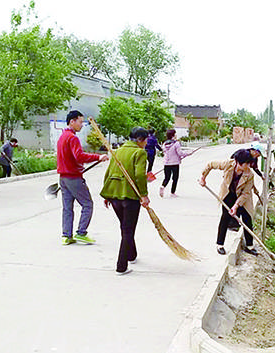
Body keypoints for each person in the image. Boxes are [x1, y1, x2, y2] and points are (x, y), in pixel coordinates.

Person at [100, 127, 150, 275]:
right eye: (146, 139)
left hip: (114, 196)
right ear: (140, 140)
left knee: (126, 227)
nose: (146, 143)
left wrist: (107, 193)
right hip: (129, 197)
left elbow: (108, 172)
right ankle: (121, 266)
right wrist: (144, 194)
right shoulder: (139, 152)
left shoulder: (118, 151)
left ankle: (131, 255)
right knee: (127, 229)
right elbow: (140, 175)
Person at [57, 110, 109, 246]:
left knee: (67, 207)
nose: (82, 125)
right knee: (87, 204)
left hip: (63, 178)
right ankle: (81, 233)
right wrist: (98, 157)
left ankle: (66, 235)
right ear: (72, 121)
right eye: (80, 122)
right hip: (73, 177)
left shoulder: (62, 136)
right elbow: (79, 156)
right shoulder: (72, 138)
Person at [199, 150, 258, 256]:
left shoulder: (250, 174)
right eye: (247, 163)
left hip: (241, 197)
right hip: (228, 194)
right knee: (225, 217)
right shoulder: (228, 164)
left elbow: (246, 193)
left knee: (247, 218)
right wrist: (203, 178)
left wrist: (236, 206)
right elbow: (210, 164)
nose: (248, 166)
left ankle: (249, 245)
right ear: (239, 162)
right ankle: (220, 244)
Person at [160, 129, 189, 198]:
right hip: (175, 163)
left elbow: (164, 152)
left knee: (167, 178)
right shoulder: (176, 143)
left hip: (166, 163)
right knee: (175, 178)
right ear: (173, 135)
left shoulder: (164, 144)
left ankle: (163, 186)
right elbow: (180, 153)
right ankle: (172, 193)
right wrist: (187, 153)